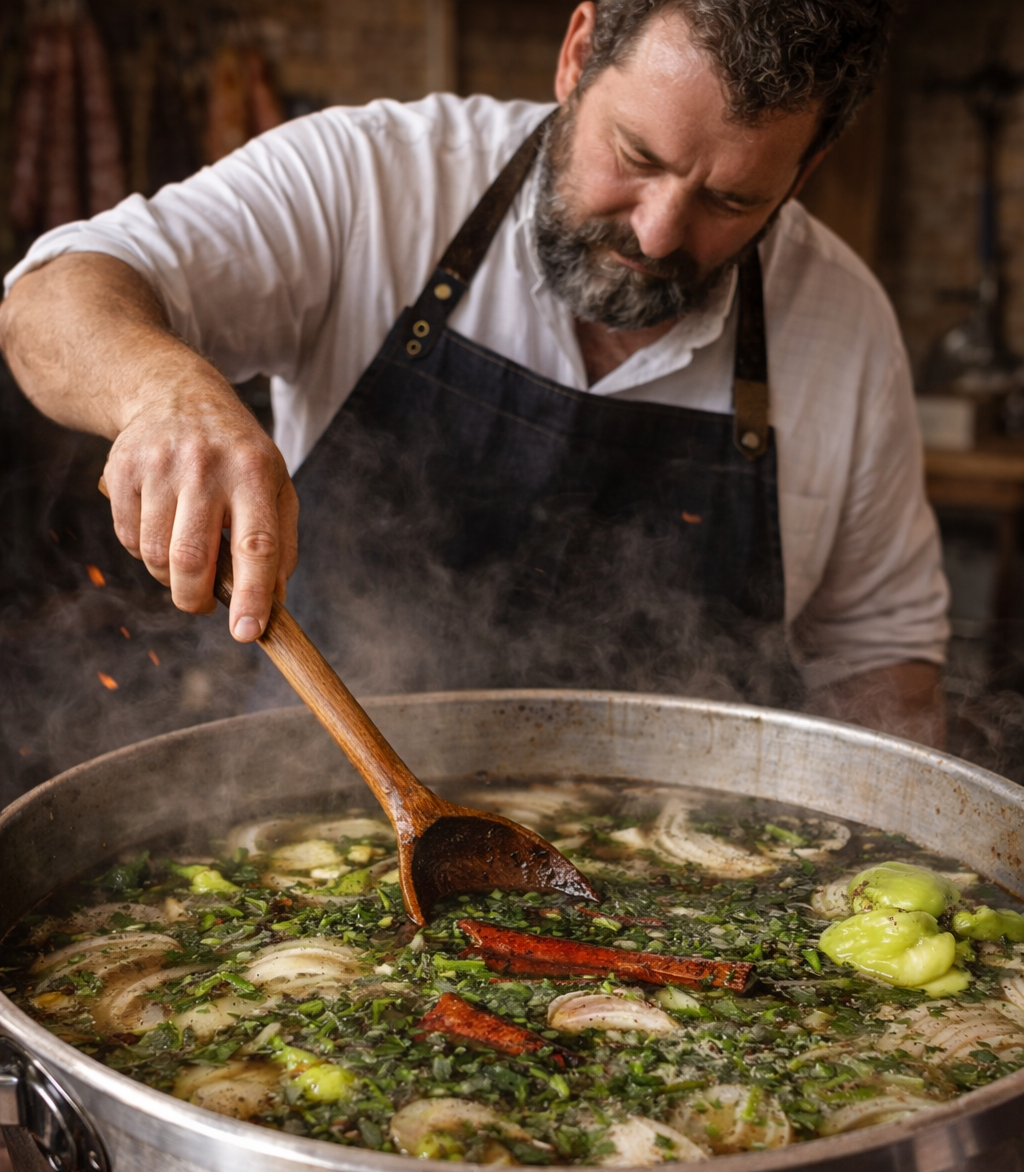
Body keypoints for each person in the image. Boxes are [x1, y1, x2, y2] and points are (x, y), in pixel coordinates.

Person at [0, 0, 949, 742]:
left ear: (806, 168)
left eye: (732, 200)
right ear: (578, 54)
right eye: (635, 155)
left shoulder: (844, 326)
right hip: (308, 812)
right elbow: (48, 299)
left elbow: (878, 655)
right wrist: (165, 394)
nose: (659, 233)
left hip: (700, 866)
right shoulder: (374, 180)